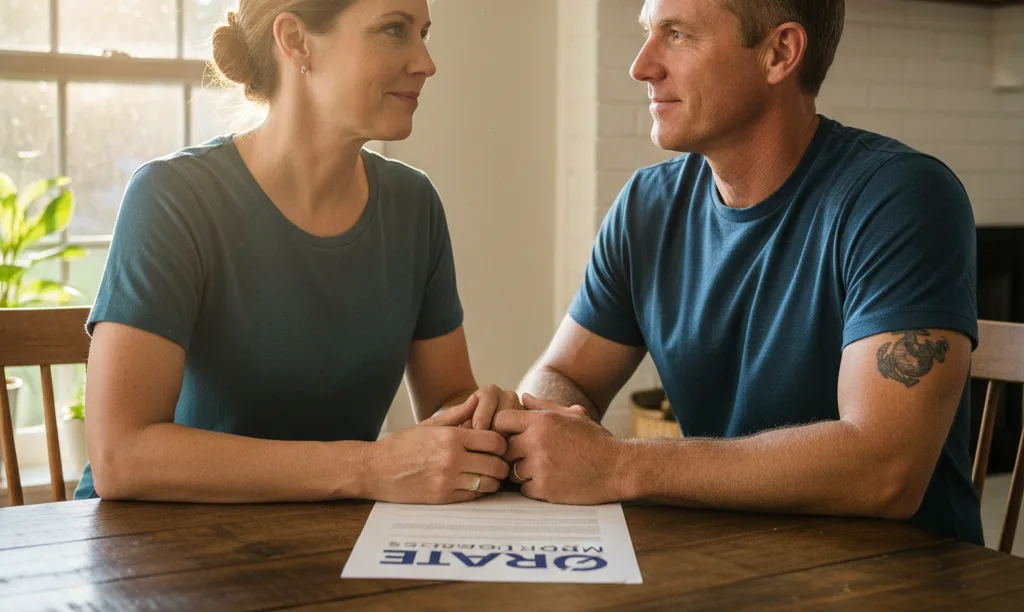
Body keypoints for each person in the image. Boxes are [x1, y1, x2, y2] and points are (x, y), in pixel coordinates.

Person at [500, 0, 983, 544]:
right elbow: (566, 375)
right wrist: (547, 433)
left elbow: (886, 470)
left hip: (900, 581)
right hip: (726, 561)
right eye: (647, 32)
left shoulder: (901, 198)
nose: (641, 66)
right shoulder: (646, 206)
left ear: (779, 53)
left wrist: (618, 464)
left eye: (677, 35)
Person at [76, 0, 521, 505]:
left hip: (322, 542)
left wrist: (482, 417)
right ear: (295, 40)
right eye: (394, 30)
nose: (426, 62)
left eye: (424, 33)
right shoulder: (174, 196)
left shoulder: (413, 204)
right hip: (149, 550)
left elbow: (447, 398)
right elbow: (121, 457)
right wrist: (368, 466)